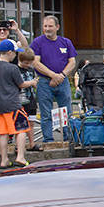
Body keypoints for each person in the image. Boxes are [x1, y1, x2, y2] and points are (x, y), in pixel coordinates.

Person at [29, 15, 77, 143]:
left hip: (63, 81)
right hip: (44, 82)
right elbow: (36, 62)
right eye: (45, 26)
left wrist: (61, 75)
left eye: (50, 26)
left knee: (66, 111)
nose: (47, 29)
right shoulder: (37, 42)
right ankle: (48, 140)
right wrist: (53, 75)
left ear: (57, 27)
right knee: (45, 113)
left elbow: (72, 62)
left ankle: (68, 138)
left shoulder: (66, 42)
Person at [0, 39, 34, 169]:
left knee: (3, 133)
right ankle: (20, 157)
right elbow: (22, 84)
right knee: (21, 129)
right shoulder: (12, 68)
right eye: (14, 52)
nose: (15, 55)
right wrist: (33, 82)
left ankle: (4, 160)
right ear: (9, 52)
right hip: (12, 104)